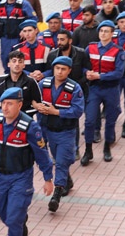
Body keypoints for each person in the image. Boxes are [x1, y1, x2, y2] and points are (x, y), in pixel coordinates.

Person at [0, 87, 54, 236]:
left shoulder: (30, 127)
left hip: (21, 178)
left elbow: (42, 154)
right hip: (1, 176)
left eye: (10, 103)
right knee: (2, 211)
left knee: (13, 219)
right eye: (3, 103)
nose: (5, 107)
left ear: (20, 105)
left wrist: (48, 178)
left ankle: (18, 223)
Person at [33, 56, 84, 212]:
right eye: (57, 68)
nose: (60, 72)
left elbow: (77, 110)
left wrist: (56, 111)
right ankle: (66, 180)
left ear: (69, 71)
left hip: (65, 132)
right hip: (44, 129)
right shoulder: (43, 84)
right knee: (50, 159)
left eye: (63, 69)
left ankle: (56, 195)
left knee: (61, 162)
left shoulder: (75, 88)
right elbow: (32, 100)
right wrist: (38, 106)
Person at [81, 20, 125, 165]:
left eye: (106, 31)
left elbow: (119, 73)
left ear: (112, 34)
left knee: (110, 120)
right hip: (94, 88)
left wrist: (100, 76)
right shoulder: (91, 48)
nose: (103, 34)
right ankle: (88, 150)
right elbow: (83, 66)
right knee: (89, 120)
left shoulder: (118, 51)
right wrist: (87, 72)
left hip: (111, 89)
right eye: (101, 31)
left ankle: (107, 148)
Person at [43, 29, 91, 159]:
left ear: (70, 41)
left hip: (77, 88)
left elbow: (86, 69)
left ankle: (75, 148)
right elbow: (48, 71)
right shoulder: (53, 54)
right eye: (58, 39)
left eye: (62, 39)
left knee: (73, 121)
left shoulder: (80, 53)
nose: (59, 42)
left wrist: (77, 84)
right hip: (57, 91)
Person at [0, 50, 42, 117]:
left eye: (20, 61)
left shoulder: (31, 82)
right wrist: (1, 111)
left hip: (24, 119)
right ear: (8, 64)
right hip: (4, 118)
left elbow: (39, 103)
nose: (17, 64)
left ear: (23, 65)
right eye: (14, 61)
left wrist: (23, 114)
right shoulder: (0, 80)